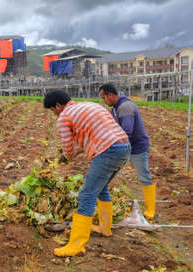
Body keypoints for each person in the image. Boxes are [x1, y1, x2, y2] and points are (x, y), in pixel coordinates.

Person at [44, 90, 130, 257]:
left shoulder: (64, 117)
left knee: (86, 195)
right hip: (124, 147)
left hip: (108, 150)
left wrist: (65, 157)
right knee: (101, 187)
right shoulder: (89, 105)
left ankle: (76, 245)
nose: (54, 114)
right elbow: (97, 134)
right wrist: (76, 151)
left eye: (52, 110)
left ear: (58, 106)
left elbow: (67, 149)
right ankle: (105, 228)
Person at [99, 83, 156, 220]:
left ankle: (150, 210)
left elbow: (126, 132)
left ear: (110, 95)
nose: (103, 101)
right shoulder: (116, 107)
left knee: (144, 175)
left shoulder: (125, 107)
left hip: (137, 147)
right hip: (126, 146)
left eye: (103, 97)